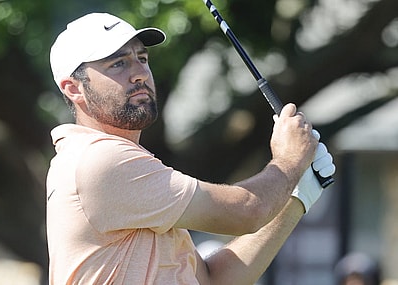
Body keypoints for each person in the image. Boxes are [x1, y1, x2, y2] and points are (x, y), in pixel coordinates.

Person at [46, 12, 336, 285]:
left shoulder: (133, 175)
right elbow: (247, 211)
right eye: (118, 64)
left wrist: (297, 197)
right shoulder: (99, 159)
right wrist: (288, 161)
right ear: (73, 88)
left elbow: (213, 279)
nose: (140, 74)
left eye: (142, 58)